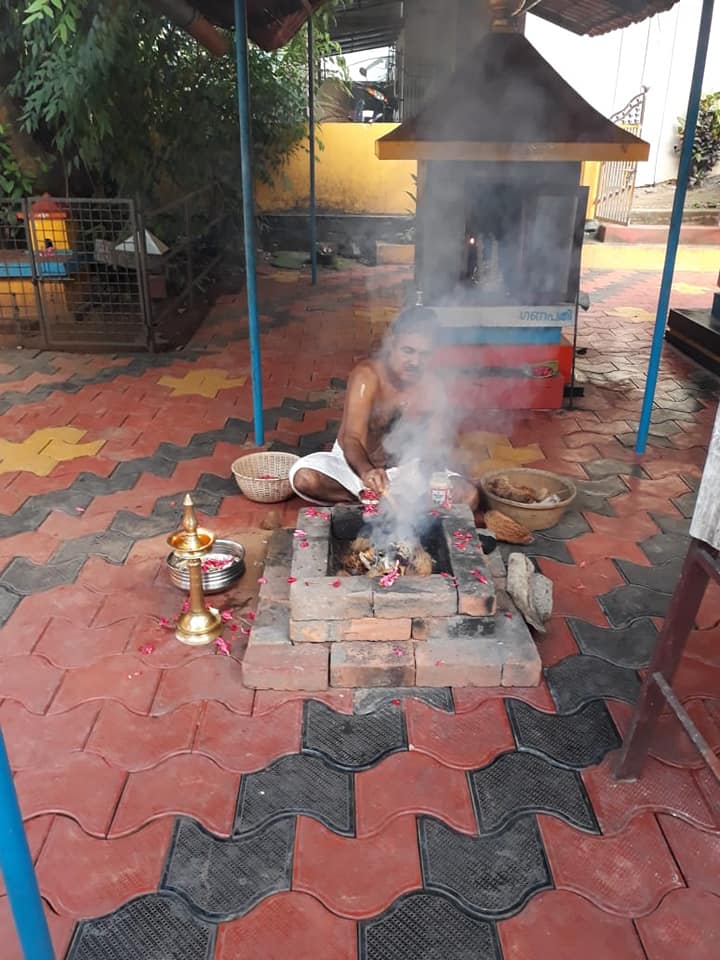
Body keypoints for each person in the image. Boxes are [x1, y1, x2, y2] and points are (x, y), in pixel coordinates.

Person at [289, 305, 479, 509]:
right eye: (408, 351)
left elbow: (433, 449)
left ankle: (387, 505)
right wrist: (367, 472)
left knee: (469, 496)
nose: (415, 362)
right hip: (355, 468)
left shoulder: (433, 387)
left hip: (406, 472)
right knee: (305, 478)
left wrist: (431, 475)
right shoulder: (367, 377)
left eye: (424, 355)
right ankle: (375, 501)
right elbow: (351, 439)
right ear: (392, 343)